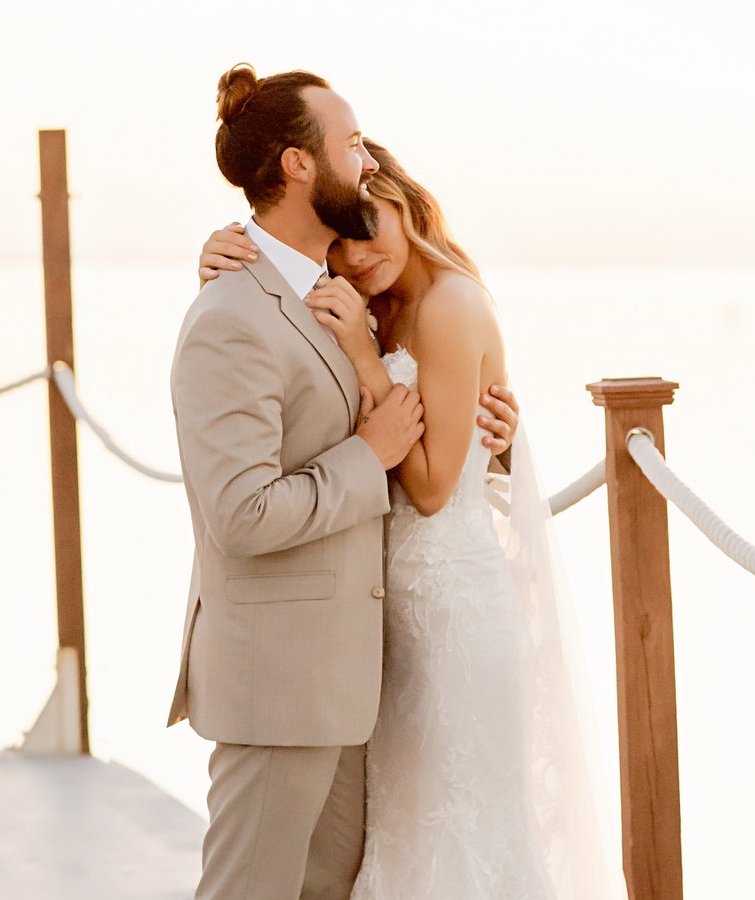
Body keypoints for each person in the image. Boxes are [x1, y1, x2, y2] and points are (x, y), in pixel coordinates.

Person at [198, 138, 628, 898]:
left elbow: (430, 488)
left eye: (369, 228)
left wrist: (367, 364)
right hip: (389, 624)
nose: (358, 257)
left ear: (403, 201)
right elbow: (276, 329)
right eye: (341, 242)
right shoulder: (378, 307)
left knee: (462, 838)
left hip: (454, 615)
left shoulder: (450, 304)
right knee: (406, 836)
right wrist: (222, 256)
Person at [167, 64, 520, 900]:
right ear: (296, 164)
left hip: (362, 677)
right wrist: (372, 452)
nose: (366, 163)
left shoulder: (344, 293)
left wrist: (497, 444)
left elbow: (416, 401)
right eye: (351, 143)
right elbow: (242, 513)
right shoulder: (229, 313)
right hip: (279, 683)